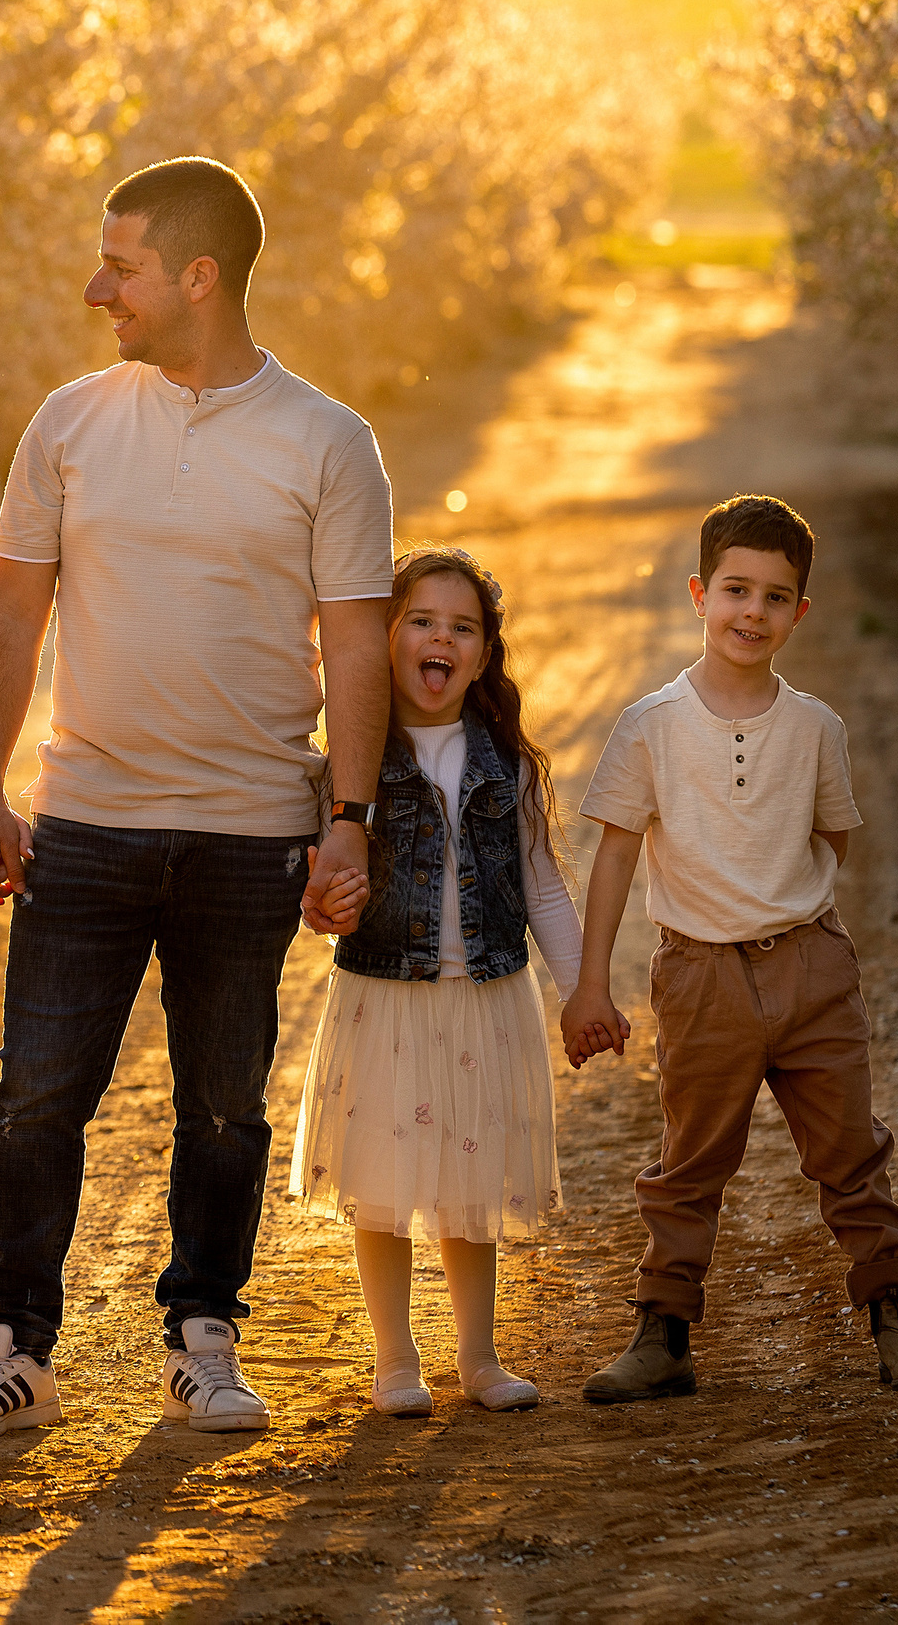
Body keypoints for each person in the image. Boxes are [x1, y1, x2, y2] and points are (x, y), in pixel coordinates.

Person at [0, 156, 394, 1444]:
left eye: (119, 265)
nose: (95, 288)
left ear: (198, 277)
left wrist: (346, 818)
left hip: (251, 833)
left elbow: (355, 644)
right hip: (84, 823)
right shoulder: (69, 423)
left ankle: (202, 1335)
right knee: (34, 1099)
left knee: (225, 1104)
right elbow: (11, 611)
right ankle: (13, 1350)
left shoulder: (327, 439)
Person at [563, 495, 898, 1399]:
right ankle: (662, 1333)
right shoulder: (650, 725)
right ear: (700, 593)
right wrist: (592, 983)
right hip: (700, 974)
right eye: (735, 589)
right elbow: (616, 855)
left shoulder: (817, 726)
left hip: (811, 963)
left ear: (799, 613)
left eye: (775, 597)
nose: (753, 611)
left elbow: (834, 837)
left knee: (851, 1147)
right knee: (689, 1158)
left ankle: (894, 1310)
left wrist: (792, 913)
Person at [288, 548, 585, 1418]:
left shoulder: (507, 763)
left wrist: (583, 991)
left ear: (485, 655)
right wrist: (321, 904)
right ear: (383, 639)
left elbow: (544, 886)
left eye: (462, 627)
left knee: (470, 1184)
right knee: (381, 1184)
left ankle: (480, 1355)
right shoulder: (351, 766)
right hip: (385, 996)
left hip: (485, 1001)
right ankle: (395, 1358)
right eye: (421, 620)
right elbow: (318, 882)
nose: (440, 639)